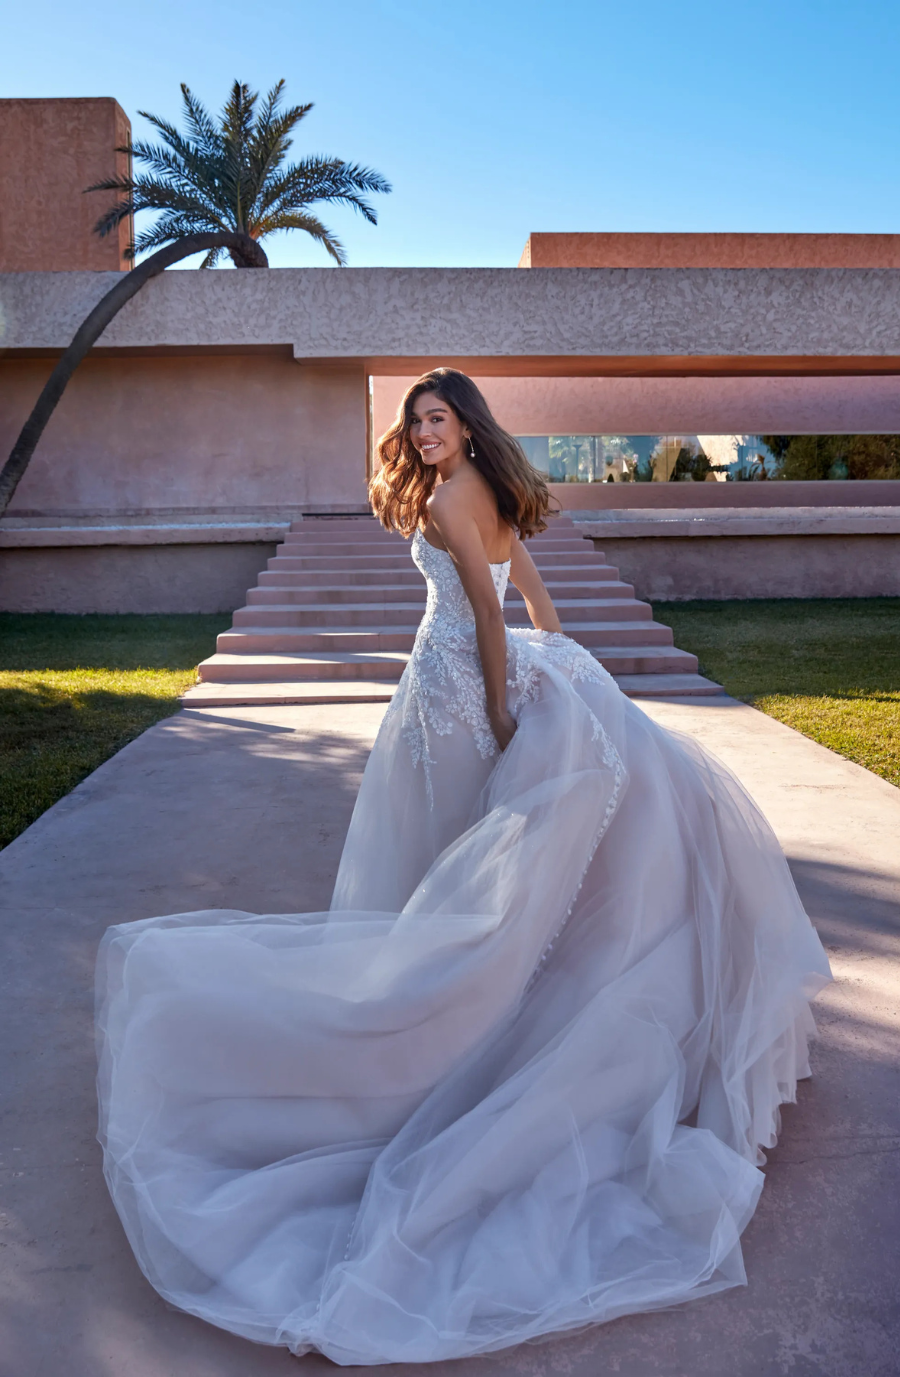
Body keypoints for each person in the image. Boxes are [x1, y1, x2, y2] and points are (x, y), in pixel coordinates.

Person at [95, 369, 831, 1366]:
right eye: (416, 422)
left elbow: (490, 610)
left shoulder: (449, 496)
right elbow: (530, 588)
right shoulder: (482, 483)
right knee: (481, 866)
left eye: (438, 418)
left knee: (457, 867)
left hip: (453, 695)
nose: (425, 434)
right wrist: (566, 662)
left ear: (467, 424)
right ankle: (474, 990)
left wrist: (499, 711)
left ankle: (444, 1019)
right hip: (474, 679)